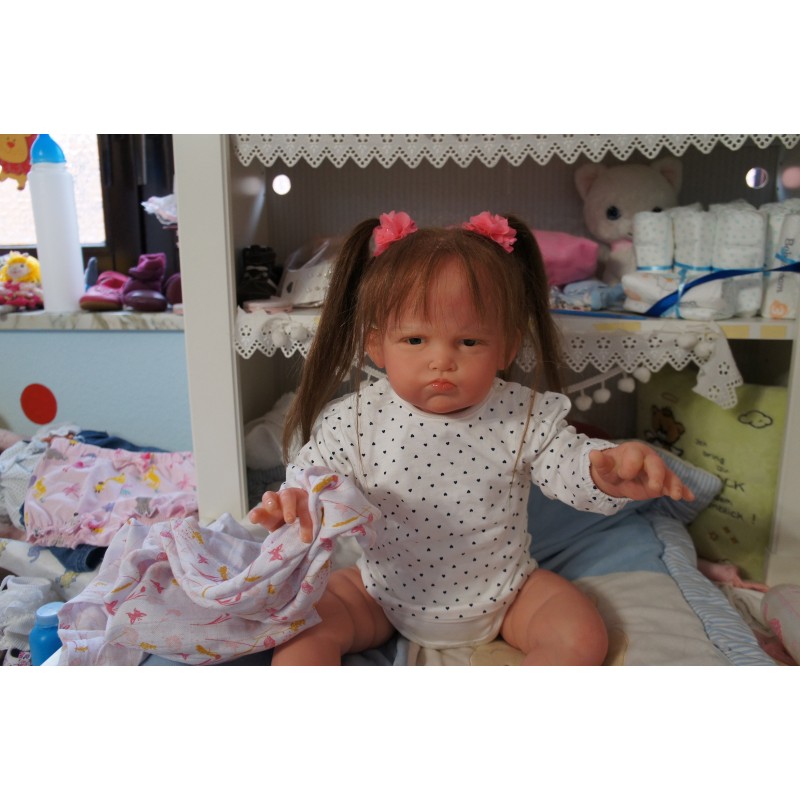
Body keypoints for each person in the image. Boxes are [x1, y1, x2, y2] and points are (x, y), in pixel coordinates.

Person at [249, 211, 694, 665]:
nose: (442, 360)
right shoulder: (355, 420)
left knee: (581, 636)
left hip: (507, 594)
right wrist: (294, 502)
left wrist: (606, 470)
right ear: (377, 344)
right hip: (381, 593)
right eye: (415, 340)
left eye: (468, 342)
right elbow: (313, 477)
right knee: (303, 629)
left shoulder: (523, 414)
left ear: (507, 346)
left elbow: (568, 462)